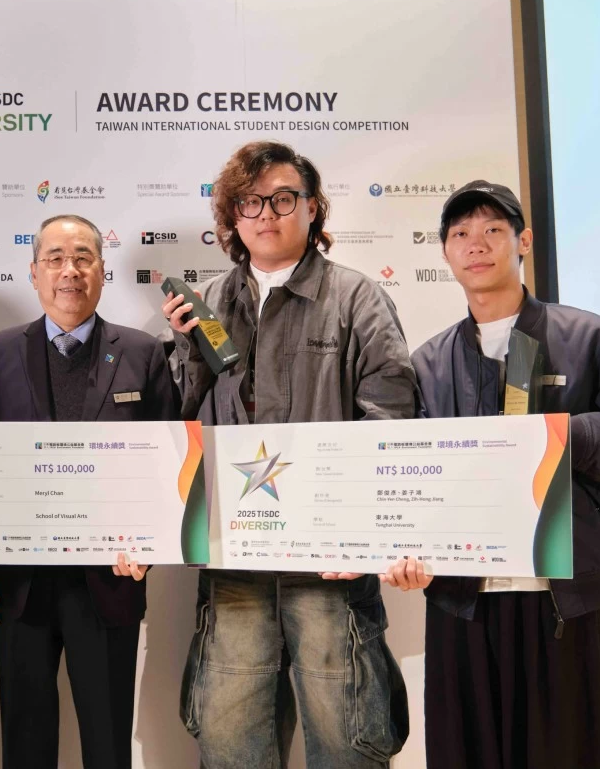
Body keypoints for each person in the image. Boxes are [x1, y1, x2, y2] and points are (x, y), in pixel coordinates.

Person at [380, 181, 600, 769]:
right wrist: (405, 550)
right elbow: (409, 476)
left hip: (559, 595)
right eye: (460, 234)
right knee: (467, 752)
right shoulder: (429, 363)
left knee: (562, 752)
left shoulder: (590, 339)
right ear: (445, 253)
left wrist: (563, 433)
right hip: (462, 600)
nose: (476, 244)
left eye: (492, 230)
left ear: (523, 242)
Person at [162, 141, 413, 769]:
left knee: (348, 743)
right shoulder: (207, 304)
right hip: (234, 565)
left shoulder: (356, 298)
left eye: (282, 198)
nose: (266, 213)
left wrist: (358, 532)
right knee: (229, 745)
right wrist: (186, 350)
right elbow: (180, 427)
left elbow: (390, 418)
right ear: (232, 217)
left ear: (312, 208)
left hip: (329, 569)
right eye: (250, 201)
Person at [0, 214, 177, 769]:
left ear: (102, 272)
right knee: (25, 739)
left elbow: (167, 466)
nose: (69, 271)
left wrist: (150, 550)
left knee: (108, 743)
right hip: (21, 583)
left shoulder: (142, 353)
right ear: (34, 273)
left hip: (109, 580)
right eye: (55, 259)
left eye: (83, 257)